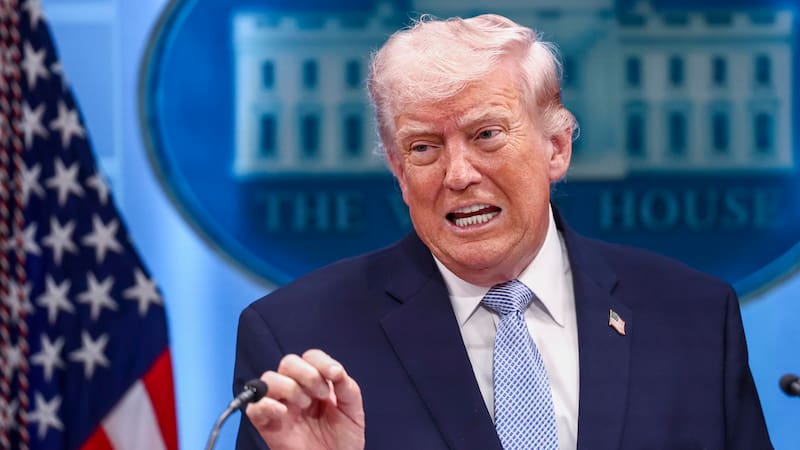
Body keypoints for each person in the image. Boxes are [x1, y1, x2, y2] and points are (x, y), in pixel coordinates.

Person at [233, 14, 772, 450]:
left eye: (487, 135)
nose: (458, 174)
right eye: (424, 148)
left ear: (555, 148)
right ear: (400, 172)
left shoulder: (695, 319)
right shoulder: (298, 340)